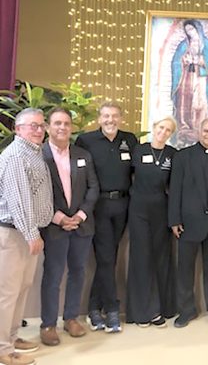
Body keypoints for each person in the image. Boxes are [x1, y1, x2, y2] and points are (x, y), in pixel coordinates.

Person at [75, 102, 137, 333]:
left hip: (122, 205)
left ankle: (93, 308)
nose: (111, 120)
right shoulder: (86, 141)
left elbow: (136, 172)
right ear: (99, 119)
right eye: (106, 116)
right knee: (106, 257)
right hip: (98, 206)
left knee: (108, 258)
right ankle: (111, 310)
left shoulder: (129, 140)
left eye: (115, 116)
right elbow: (79, 175)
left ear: (121, 118)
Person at [40, 108, 100, 346]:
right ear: (48, 127)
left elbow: (93, 187)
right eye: (57, 123)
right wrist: (59, 218)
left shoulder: (82, 154)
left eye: (66, 123)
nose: (62, 127)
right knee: (53, 275)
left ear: (71, 127)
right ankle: (48, 324)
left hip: (82, 225)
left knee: (78, 272)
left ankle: (71, 318)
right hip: (55, 226)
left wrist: (81, 215)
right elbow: (38, 193)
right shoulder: (39, 155)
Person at [0, 108, 53, 365]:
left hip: (26, 233)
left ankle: (11, 337)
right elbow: (18, 201)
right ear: (18, 129)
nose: (39, 130)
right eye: (33, 125)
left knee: (21, 289)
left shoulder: (34, 153)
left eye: (41, 125)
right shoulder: (15, 156)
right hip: (14, 233)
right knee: (7, 294)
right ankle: (2, 349)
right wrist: (32, 235)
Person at [169, 118, 208, 327]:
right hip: (188, 222)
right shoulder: (183, 157)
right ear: (199, 131)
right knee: (185, 268)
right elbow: (175, 190)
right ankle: (186, 310)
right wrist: (174, 220)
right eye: (206, 131)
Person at [126, 116, 178, 327]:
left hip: (161, 211)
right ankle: (142, 312)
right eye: (161, 127)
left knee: (161, 258)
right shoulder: (138, 150)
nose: (163, 132)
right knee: (141, 258)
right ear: (154, 128)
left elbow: (175, 186)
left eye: (168, 130)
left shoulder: (173, 155)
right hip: (138, 210)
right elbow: (127, 176)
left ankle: (161, 308)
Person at [171, 20, 208, 144]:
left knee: (200, 103)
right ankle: (185, 128)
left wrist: (202, 62)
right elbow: (175, 63)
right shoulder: (183, 45)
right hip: (186, 78)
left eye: (192, 30)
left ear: (198, 29)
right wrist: (183, 61)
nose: (190, 33)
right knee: (184, 102)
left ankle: (201, 128)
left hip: (202, 78)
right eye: (187, 31)